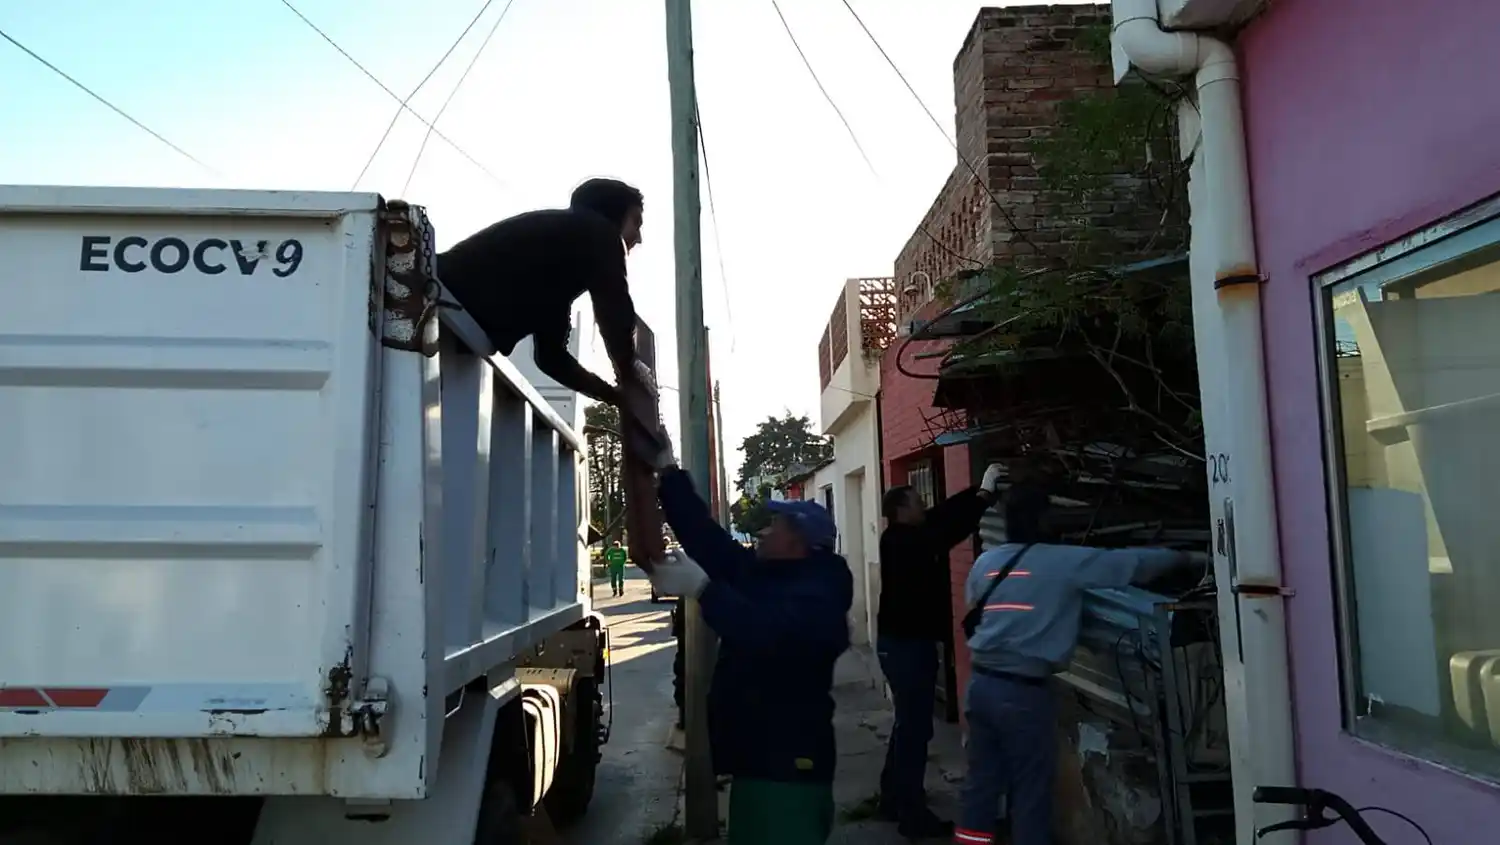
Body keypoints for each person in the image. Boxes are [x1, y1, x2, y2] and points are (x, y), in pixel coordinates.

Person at [955, 483, 1202, 845]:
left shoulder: (986, 563)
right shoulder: (1062, 561)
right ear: (1044, 518)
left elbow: (975, 602)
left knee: (981, 784)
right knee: (1031, 789)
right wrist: (1186, 558)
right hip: (1023, 693)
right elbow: (1129, 564)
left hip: (981, 686)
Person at [644, 432, 853, 845]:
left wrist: (705, 589)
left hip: (789, 768)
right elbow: (708, 539)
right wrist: (668, 473)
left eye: (773, 526)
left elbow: (768, 633)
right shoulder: (766, 572)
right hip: (758, 762)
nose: (761, 532)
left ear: (798, 544)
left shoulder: (821, 597)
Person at [875, 465, 1004, 839]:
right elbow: (944, 531)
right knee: (915, 730)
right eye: (916, 502)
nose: (923, 506)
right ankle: (912, 815)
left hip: (904, 645)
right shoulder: (902, 541)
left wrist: (979, 491)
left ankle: (892, 797)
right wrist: (981, 499)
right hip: (906, 648)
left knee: (908, 725)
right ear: (901, 510)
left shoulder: (908, 533)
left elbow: (942, 515)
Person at [437, 178, 646, 406]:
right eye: (636, 222)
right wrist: (631, 372)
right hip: (439, 302)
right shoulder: (601, 233)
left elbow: (551, 359)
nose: (638, 237)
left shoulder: (552, 274)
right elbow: (616, 314)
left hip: (441, 306)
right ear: (614, 213)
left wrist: (611, 395)